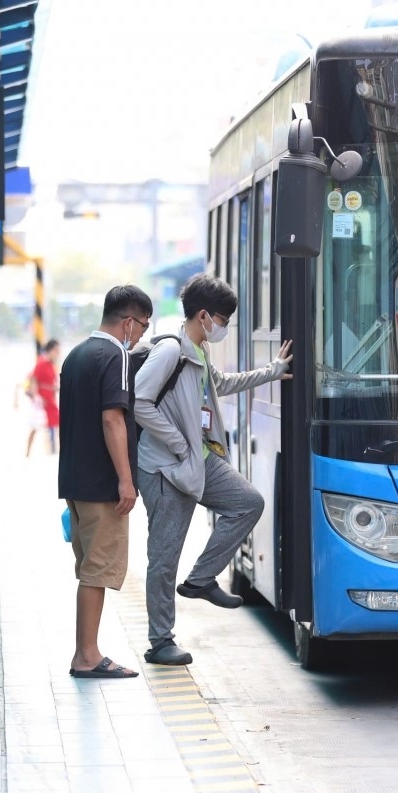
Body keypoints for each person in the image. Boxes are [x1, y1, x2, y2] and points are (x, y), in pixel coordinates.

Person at [134, 274, 293, 666]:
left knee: (248, 503)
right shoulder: (170, 352)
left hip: (198, 459)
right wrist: (177, 441)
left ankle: (202, 579)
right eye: (222, 319)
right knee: (164, 554)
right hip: (166, 468)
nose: (223, 327)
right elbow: (139, 400)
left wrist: (272, 371)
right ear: (203, 315)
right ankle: (160, 641)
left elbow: (220, 384)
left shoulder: (200, 351)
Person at [58, 285, 153, 679]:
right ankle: (87, 655)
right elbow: (112, 418)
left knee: (89, 570)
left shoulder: (76, 354)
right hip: (102, 485)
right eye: (143, 326)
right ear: (128, 322)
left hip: (76, 481)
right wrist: (126, 481)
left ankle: (87, 651)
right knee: (97, 571)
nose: (143, 334)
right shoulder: (115, 355)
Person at [25, 339, 61, 456]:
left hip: (50, 400)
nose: (57, 353)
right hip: (42, 400)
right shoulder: (41, 364)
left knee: (55, 425)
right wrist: (36, 397)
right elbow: (34, 379)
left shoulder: (52, 365)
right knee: (35, 426)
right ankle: (28, 452)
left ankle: (53, 450)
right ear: (50, 350)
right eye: (56, 351)